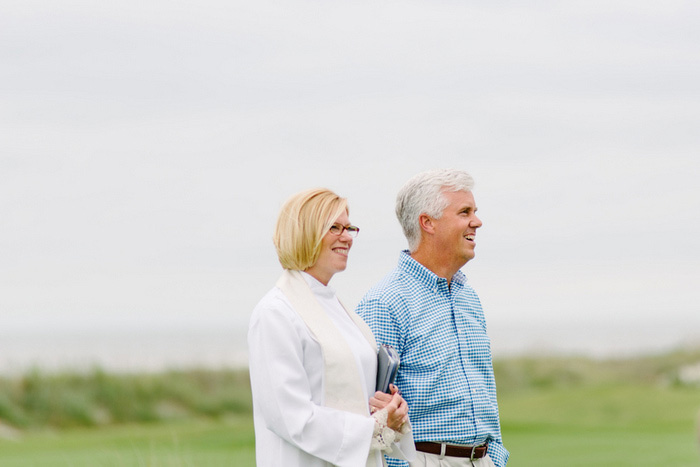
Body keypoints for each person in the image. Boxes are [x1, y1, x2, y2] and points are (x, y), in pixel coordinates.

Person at [248, 188, 416, 467]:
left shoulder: (344, 312)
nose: (347, 237)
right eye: (334, 228)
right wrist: (373, 427)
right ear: (305, 233)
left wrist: (390, 410)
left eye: (349, 227)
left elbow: (366, 396)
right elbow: (289, 416)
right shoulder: (275, 313)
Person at [356, 170, 509, 467]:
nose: (477, 221)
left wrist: (496, 456)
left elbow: (484, 388)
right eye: (464, 212)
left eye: (475, 212)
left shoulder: (469, 298)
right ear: (428, 223)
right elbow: (371, 412)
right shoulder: (384, 303)